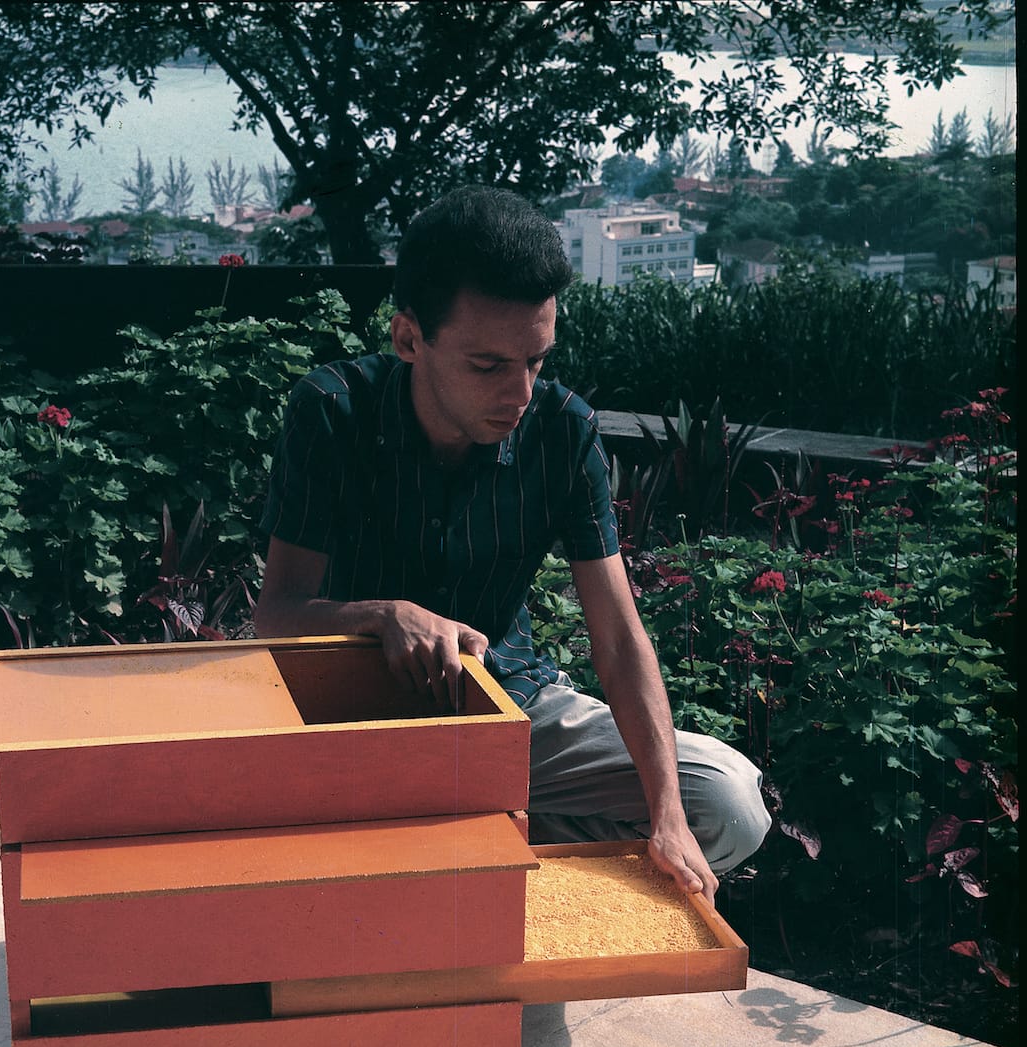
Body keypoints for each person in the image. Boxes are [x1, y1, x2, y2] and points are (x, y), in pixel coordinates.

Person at [255, 185, 769, 901]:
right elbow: (276, 618)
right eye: (488, 366)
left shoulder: (562, 430)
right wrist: (382, 616)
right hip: (352, 726)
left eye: (536, 361)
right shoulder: (332, 412)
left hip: (509, 711)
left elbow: (618, 639)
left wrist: (669, 817)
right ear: (409, 340)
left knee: (728, 803)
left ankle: (494, 862)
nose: (520, 394)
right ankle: (466, 861)